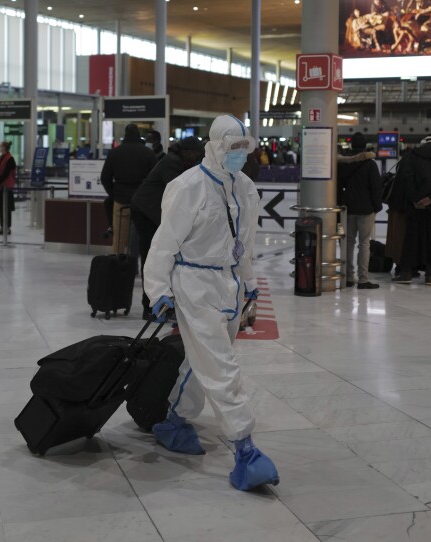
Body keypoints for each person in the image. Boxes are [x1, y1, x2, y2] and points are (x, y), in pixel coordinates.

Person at [144, 115, 278, 491]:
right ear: (216, 145)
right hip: (194, 282)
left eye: (243, 148)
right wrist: (158, 290)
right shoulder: (187, 186)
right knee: (221, 365)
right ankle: (245, 448)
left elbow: (246, 240)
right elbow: (163, 243)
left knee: (203, 358)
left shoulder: (245, 186)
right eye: (232, 147)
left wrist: (248, 280)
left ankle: (175, 418)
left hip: (230, 283)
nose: (238, 155)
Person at [131, 137, 205, 319]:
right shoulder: (171, 163)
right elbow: (180, 191)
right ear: (187, 152)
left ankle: (162, 303)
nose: (197, 158)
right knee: (151, 255)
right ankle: (150, 306)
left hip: (151, 211)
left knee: (158, 255)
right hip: (145, 211)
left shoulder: (177, 161)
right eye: (196, 154)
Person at [391, 135, 431, 285]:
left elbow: (407, 179)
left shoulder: (411, 157)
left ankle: (406, 272)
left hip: (415, 207)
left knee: (412, 240)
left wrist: (415, 199)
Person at [101, 124, 157, 253]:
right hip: (142, 202)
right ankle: (139, 267)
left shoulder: (114, 153)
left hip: (121, 200)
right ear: (138, 135)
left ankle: (119, 265)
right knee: (142, 237)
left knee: (119, 237)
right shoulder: (148, 153)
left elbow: (105, 177)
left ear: (125, 135)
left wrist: (114, 194)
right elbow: (154, 178)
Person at [337, 132, 383, 289]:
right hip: (366, 209)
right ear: (364, 147)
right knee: (364, 243)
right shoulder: (370, 164)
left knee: (348, 243)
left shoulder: (343, 163)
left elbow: (338, 185)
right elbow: (376, 188)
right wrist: (377, 207)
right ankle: (363, 279)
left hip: (348, 209)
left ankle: (348, 277)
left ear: (351, 145)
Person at [0, 141, 16, 235]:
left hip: (6, 187)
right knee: (1, 208)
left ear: (4, 148)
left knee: (7, 208)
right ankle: (2, 227)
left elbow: (6, 173)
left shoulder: (10, 159)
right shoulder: (1, 157)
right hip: (0, 187)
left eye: (0, 146)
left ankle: (7, 227)